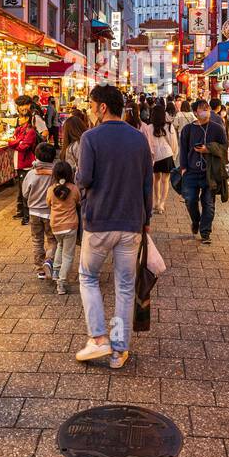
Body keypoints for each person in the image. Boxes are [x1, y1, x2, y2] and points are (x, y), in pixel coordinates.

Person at [76, 84, 153, 369]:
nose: (90, 110)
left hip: (99, 221)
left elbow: (84, 179)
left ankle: (97, 338)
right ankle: (119, 350)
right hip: (131, 221)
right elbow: (147, 185)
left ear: (102, 107)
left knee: (88, 277)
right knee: (124, 286)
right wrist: (146, 221)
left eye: (91, 105)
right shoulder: (138, 139)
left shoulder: (90, 138)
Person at [178, 98, 228, 246]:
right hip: (192, 172)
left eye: (206, 108)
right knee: (190, 200)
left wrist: (209, 149)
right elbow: (183, 149)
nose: (205, 111)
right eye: (202, 108)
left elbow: (225, 147)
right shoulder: (187, 129)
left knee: (209, 204)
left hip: (210, 172)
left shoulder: (217, 128)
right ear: (195, 112)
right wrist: (183, 168)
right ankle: (196, 221)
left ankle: (205, 232)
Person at [22, 141, 58, 281]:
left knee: (37, 240)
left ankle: (40, 270)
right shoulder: (55, 173)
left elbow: (25, 193)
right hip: (51, 213)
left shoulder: (31, 174)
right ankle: (49, 262)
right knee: (52, 240)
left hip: (34, 213)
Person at [47, 161, 80, 296]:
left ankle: (55, 271)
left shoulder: (50, 190)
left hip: (55, 226)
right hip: (70, 226)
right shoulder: (74, 189)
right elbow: (79, 202)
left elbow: (48, 203)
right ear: (70, 174)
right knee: (68, 255)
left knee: (60, 245)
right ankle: (62, 282)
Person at [10, 95, 40, 225]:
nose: (22, 108)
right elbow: (12, 142)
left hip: (27, 161)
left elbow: (23, 145)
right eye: (20, 105)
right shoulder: (18, 126)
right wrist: (17, 141)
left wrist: (17, 142)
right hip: (19, 162)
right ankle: (22, 211)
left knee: (26, 189)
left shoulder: (33, 124)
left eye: (24, 105)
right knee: (21, 188)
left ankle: (27, 215)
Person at [143, 102, 176, 213]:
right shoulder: (168, 126)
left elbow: (147, 144)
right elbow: (173, 143)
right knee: (165, 181)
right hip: (167, 155)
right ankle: (162, 204)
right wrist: (174, 155)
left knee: (156, 180)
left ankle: (156, 202)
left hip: (155, 157)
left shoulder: (149, 127)